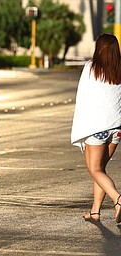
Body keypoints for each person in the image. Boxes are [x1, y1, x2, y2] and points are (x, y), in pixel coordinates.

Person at [71, 33, 121, 223]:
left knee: (94, 170)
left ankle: (118, 199)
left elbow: (83, 98)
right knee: (100, 169)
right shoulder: (119, 68)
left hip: (97, 128)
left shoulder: (91, 67)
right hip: (116, 128)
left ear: (98, 48)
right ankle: (95, 211)